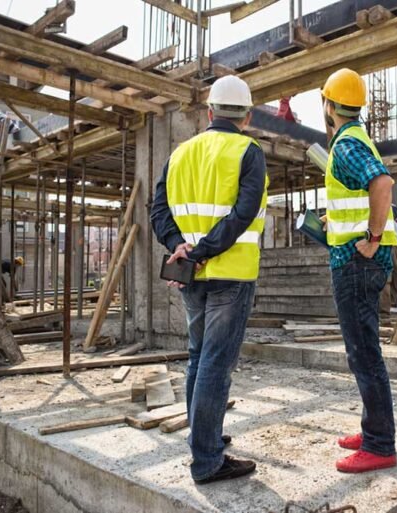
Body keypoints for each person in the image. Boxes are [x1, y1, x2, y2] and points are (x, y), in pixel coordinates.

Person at [150, 75, 268, 485]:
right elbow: (243, 215)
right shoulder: (248, 152)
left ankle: (206, 437)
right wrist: (200, 251)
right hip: (229, 274)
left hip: (190, 276)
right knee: (215, 363)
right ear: (247, 116)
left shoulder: (181, 153)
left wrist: (179, 246)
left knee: (199, 357)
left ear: (210, 112)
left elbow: (158, 209)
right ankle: (207, 460)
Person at [321, 68, 397, 473]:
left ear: (329, 105)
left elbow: (382, 184)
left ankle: (380, 444)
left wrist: (371, 235)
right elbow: (362, 192)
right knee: (362, 352)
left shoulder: (346, 144)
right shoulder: (358, 139)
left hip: (356, 262)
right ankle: (374, 429)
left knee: (364, 353)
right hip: (359, 259)